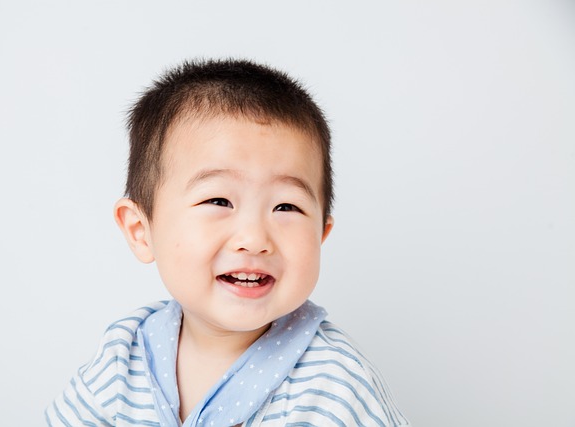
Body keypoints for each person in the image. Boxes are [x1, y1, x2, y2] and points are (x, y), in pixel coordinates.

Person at [45, 58, 410, 427]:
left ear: (320, 235)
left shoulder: (336, 386)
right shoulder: (120, 360)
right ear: (141, 230)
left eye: (287, 206)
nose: (254, 239)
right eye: (219, 201)